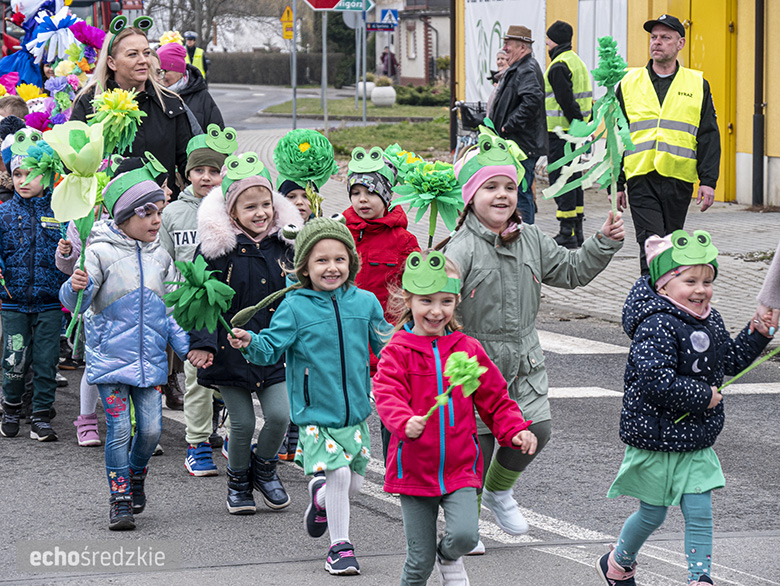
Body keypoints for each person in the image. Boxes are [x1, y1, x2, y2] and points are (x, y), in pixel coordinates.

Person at [439, 129, 624, 551]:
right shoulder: (460, 248)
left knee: (537, 427)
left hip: (523, 355)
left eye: (509, 186)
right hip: (476, 359)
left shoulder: (532, 239)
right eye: (490, 187)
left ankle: (500, 492)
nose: (502, 195)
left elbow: (572, 271)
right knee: (478, 446)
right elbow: (441, 307)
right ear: (470, 197)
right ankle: (470, 520)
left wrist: (603, 243)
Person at [596, 230, 772, 586]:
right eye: (690, 280)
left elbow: (731, 361)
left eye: (708, 281)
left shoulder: (712, 319)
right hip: (656, 438)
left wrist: (758, 333)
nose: (701, 290)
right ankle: (618, 563)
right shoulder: (655, 323)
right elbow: (654, 381)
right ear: (663, 286)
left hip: (696, 439)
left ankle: (699, 578)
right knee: (652, 514)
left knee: (700, 511)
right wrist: (702, 396)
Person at [228, 216, 390, 575]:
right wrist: (249, 342)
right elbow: (270, 347)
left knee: (353, 486)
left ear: (351, 261)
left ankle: (320, 501)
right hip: (315, 414)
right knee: (341, 477)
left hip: (355, 413)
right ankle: (339, 547)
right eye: (321, 260)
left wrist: (425, 339)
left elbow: (388, 342)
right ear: (304, 267)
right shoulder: (296, 306)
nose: (332, 268)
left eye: (339, 259)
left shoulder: (365, 303)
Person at [373, 250, 537, 586]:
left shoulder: (467, 348)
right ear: (409, 299)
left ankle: (447, 557)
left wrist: (515, 429)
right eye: (426, 301)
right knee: (418, 563)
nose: (436, 311)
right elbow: (387, 395)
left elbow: (495, 398)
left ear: (456, 301)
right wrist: (404, 421)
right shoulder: (397, 351)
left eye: (446, 301)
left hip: (460, 468)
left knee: (465, 536)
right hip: (415, 471)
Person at [59, 169, 190, 531]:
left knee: (150, 431)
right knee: (119, 429)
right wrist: (74, 285)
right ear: (123, 216)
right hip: (110, 360)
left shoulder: (161, 257)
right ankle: (119, 498)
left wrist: (190, 349)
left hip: (150, 362)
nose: (156, 220)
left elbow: (172, 311)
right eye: (147, 213)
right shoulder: (98, 252)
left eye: (159, 212)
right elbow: (77, 303)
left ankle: (135, 475)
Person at [189, 153, 303, 512]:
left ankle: (265, 469)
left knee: (281, 416)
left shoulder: (286, 246)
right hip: (230, 351)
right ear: (232, 213)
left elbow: (301, 295)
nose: (261, 213)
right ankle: (238, 481)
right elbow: (200, 299)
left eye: (266, 204)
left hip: (272, 349)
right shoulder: (217, 251)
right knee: (241, 422)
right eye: (249, 206)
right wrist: (204, 344)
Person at [614, 14, 721, 274]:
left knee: (672, 245)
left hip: (678, 178)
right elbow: (617, 136)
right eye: (654, 37)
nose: (657, 43)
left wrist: (708, 180)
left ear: (680, 43)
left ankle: (669, 302)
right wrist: (616, 182)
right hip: (640, 175)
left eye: (665, 37)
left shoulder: (697, 84)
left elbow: (708, 134)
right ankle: (648, 300)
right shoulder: (628, 82)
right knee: (651, 242)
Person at [159, 131, 232, 476]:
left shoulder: (231, 209)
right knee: (196, 372)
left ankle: (232, 432)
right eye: (199, 170)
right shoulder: (173, 212)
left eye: (213, 171)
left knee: (230, 373)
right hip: (191, 305)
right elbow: (162, 258)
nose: (206, 177)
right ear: (187, 174)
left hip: (228, 303)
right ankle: (197, 443)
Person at [343, 147, 419, 461]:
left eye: (371, 192)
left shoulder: (403, 240)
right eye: (356, 192)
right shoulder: (340, 233)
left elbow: (414, 288)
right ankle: (343, 460)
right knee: (347, 407)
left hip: (388, 339)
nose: (362, 200)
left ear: (387, 196)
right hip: (347, 338)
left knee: (392, 406)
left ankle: (394, 463)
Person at [71, 24, 192, 199]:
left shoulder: (169, 103)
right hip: (106, 214)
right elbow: (73, 163)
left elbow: (188, 163)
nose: (143, 60)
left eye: (146, 52)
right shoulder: (90, 103)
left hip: (161, 213)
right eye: (133, 54)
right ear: (112, 62)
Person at [0, 135, 68, 441]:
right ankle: (11, 408)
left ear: (49, 175)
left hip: (50, 303)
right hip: (14, 304)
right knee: (14, 360)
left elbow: (73, 255)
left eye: (31, 173)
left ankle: (41, 415)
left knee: (46, 362)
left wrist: (68, 252)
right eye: (17, 174)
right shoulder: (3, 214)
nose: (23, 180)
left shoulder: (59, 212)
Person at [489, 25, 547, 225]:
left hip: (521, 145)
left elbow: (532, 101)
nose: (504, 48)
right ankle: (518, 233)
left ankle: (526, 238)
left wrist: (507, 126)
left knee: (521, 194)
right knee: (518, 192)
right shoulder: (521, 67)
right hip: (517, 144)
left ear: (522, 46)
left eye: (508, 44)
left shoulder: (527, 68)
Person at [544, 20, 593, 249]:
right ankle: (577, 230)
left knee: (561, 180)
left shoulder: (558, 66)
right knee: (574, 180)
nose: (546, 44)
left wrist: (576, 126)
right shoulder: (577, 62)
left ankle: (566, 232)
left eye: (548, 40)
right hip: (576, 133)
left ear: (554, 41)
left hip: (562, 134)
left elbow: (566, 101)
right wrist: (584, 128)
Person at [157, 42, 224, 132]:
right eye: (157, 72)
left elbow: (218, 135)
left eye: (164, 71)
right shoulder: (153, 94)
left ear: (179, 71)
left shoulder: (202, 96)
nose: (160, 77)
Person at [486, 50, 509, 117]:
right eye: (498, 59)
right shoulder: (501, 78)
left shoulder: (508, 78)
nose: (499, 62)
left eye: (502, 59)